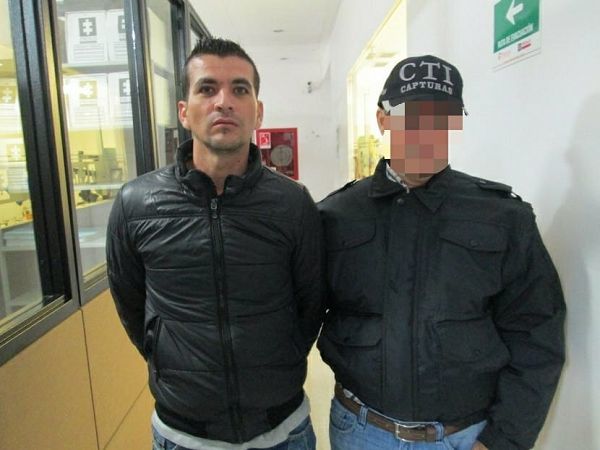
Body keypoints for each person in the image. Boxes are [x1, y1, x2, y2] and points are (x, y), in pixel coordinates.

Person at [317, 55, 565, 450]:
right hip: (361, 431)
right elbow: (300, 316)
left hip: (465, 437)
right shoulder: (336, 216)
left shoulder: (502, 217)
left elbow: (536, 334)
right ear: (383, 119)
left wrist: (503, 440)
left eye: (442, 118)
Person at [106, 37, 323, 450]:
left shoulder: (292, 203)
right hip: (183, 434)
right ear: (184, 112)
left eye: (240, 89)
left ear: (258, 111)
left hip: (282, 429)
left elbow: (311, 302)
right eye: (207, 89)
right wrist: (164, 355)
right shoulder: (136, 204)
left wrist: (284, 356)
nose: (224, 101)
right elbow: (131, 303)